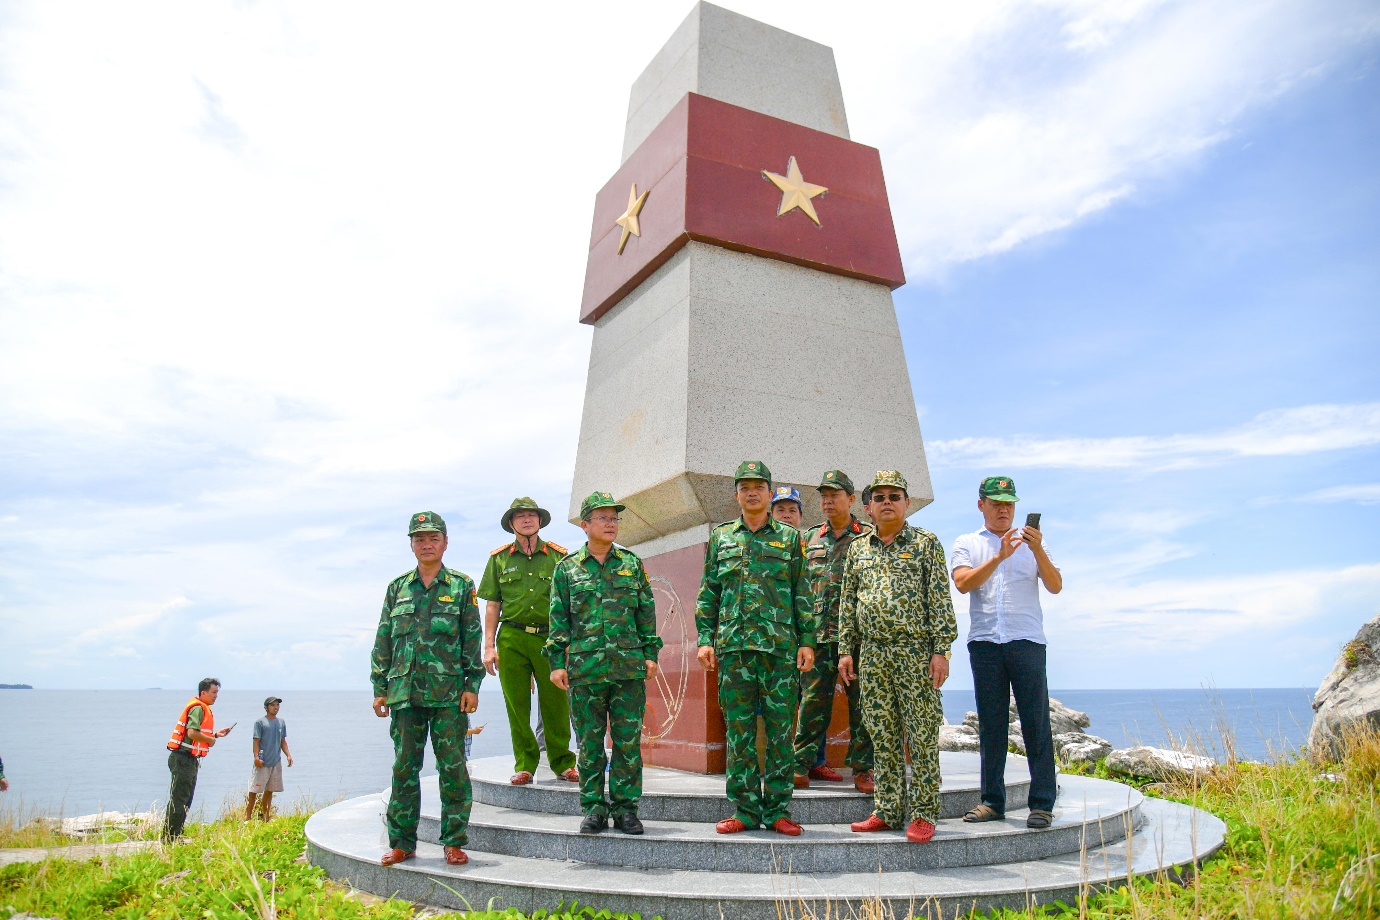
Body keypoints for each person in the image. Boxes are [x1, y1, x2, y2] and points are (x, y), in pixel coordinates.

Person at [695, 460, 815, 836]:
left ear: (769, 493)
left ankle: (778, 810)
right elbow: (709, 592)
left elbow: (802, 592)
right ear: (736, 495)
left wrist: (807, 641)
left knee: (780, 733)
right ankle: (745, 810)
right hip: (734, 650)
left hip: (780, 650)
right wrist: (705, 639)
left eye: (758, 487)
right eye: (745, 487)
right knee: (739, 733)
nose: (751, 493)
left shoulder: (790, 539)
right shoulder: (721, 538)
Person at [839, 471, 957, 844]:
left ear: (907, 503)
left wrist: (941, 650)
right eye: (880, 497)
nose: (887, 502)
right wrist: (846, 649)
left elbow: (939, 598)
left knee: (921, 735)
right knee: (882, 733)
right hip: (872, 653)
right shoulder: (858, 548)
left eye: (895, 496)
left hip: (915, 652)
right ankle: (888, 810)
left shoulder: (925, 543)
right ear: (868, 507)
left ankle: (923, 813)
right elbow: (848, 601)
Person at [547, 491, 663, 836]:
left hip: (628, 668)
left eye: (614, 518)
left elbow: (646, 612)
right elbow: (558, 618)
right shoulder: (567, 568)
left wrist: (650, 653)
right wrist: (557, 662)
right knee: (589, 745)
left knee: (627, 744)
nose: (611, 524)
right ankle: (594, 809)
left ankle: (626, 810)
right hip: (585, 670)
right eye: (603, 518)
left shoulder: (631, 563)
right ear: (585, 525)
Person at [371, 511, 483, 867]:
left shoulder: (462, 586)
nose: (426, 544)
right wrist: (379, 687)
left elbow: (472, 638)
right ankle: (402, 842)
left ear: (445, 542)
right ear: (411, 545)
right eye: (419, 539)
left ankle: (453, 842)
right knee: (404, 768)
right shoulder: (397, 588)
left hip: (449, 695)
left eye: (433, 538)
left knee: (453, 769)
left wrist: (472, 685)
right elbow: (384, 638)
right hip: (405, 694)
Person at [950, 476, 1063, 829]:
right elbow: (963, 583)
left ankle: (1042, 803)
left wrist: (1037, 549)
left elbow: (1055, 585)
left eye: (1009, 504)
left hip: (1027, 641)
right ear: (981, 505)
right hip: (985, 642)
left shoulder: (1034, 544)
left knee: (1036, 722)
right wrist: (1000, 556)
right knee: (991, 724)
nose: (1004, 510)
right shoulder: (967, 542)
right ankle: (992, 802)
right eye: (996, 503)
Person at [478, 497, 578, 786]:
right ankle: (525, 765)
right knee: (517, 705)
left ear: (540, 521)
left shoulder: (559, 557)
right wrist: (489, 647)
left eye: (531, 515)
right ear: (511, 524)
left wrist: (568, 642)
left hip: (550, 637)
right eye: (520, 516)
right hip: (512, 637)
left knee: (556, 702)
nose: (526, 520)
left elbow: (570, 602)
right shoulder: (499, 559)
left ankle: (563, 763)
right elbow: (493, 605)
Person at [793, 470, 875, 793]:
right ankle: (800, 765)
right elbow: (800, 587)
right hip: (819, 637)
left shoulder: (867, 536)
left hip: (857, 638)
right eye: (824, 495)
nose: (827, 501)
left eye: (835, 495)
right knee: (812, 703)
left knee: (862, 705)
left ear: (851, 499)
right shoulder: (810, 538)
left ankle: (863, 769)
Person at [163, 677, 234, 841]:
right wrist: (210, 740)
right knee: (180, 799)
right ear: (203, 693)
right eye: (214, 692)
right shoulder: (198, 708)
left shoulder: (202, 708)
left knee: (185, 799)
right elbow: (192, 733)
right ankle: (170, 838)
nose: (216, 696)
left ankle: (175, 834)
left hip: (188, 758)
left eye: (217, 693)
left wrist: (216, 734)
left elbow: (195, 734)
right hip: (183, 758)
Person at [245, 697, 293, 821]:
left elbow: (283, 741)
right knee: (254, 790)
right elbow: (256, 741)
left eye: (277, 705)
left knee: (270, 790)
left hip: (275, 761)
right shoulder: (260, 723)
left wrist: (288, 755)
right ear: (266, 707)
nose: (276, 707)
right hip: (263, 761)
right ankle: (247, 818)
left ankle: (266, 817)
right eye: (272, 705)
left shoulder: (281, 722)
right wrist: (256, 758)